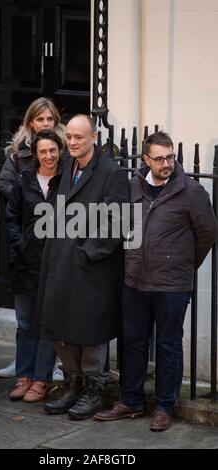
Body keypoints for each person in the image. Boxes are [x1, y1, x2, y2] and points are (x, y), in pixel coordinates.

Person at [94, 131, 218, 431]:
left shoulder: (192, 191)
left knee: (168, 345)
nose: (166, 163)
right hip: (134, 281)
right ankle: (131, 400)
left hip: (172, 285)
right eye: (160, 158)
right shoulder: (133, 186)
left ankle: (165, 406)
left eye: (170, 157)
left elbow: (207, 234)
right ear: (146, 159)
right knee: (132, 342)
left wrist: (183, 263)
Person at [34, 114, 130, 420]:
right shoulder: (67, 166)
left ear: (94, 138)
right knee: (59, 328)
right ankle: (72, 384)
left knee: (90, 333)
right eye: (70, 138)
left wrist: (86, 252)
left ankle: (94, 390)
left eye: (79, 137)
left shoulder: (111, 173)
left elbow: (117, 223)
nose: (73, 143)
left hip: (91, 267)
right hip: (60, 262)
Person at [0, 97, 65, 379]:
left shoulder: (64, 152)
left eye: (50, 119)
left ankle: (57, 366)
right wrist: (28, 199)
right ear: (30, 122)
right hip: (27, 244)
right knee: (25, 318)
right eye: (40, 119)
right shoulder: (17, 154)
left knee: (56, 314)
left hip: (56, 244)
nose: (45, 124)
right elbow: (4, 186)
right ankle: (23, 366)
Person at [6, 130, 64, 401]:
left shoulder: (67, 180)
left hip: (55, 265)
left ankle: (41, 379)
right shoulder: (23, 180)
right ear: (35, 153)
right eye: (43, 151)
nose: (49, 156)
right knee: (26, 323)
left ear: (59, 150)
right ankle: (24, 376)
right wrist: (20, 245)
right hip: (26, 264)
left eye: (53, 150)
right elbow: (12, 217)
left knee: (47, 325)